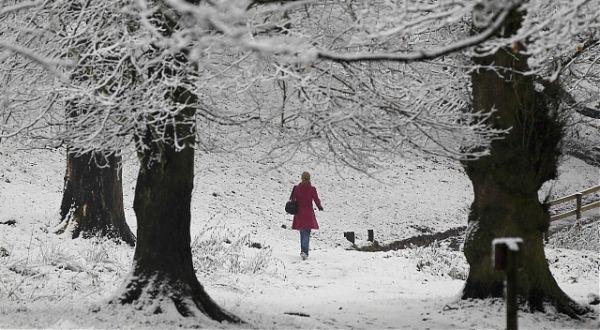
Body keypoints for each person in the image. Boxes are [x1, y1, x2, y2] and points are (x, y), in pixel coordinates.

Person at [289, 171, 323, 260]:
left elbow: (292, 199)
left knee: (302, 233)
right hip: (308, 213)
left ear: (301, 178)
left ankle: (303, 250)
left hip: (299, 213)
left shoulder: (296, 188)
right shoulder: (312, 189)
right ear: (309, 178)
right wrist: (319, 207)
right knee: (306, 233)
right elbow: (316, 199)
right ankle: (305, 251)